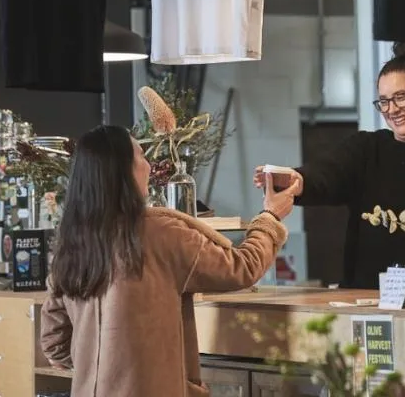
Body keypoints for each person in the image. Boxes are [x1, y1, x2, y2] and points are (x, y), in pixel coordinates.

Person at [40, 125, 298, 397]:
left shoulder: (72, 241)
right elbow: (242, 268)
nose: (149, 166)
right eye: (141, 155)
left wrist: (101, 368)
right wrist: (271, 216)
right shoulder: (160, 232)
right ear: (124, 170)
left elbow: (54, 342)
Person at [253, 43, 405, 289]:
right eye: (384, 101)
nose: (392, 109)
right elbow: (327, 175)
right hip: (366, 298)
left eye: (401, 97)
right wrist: (295, 179)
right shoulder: (366, 150)